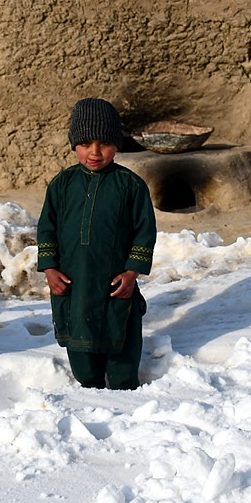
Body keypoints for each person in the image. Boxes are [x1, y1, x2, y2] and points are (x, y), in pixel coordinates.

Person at [37, 97, 157, 389]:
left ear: (116, 145)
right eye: (86, 143)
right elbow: (47, 228)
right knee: (83, 362)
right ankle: (89, 387)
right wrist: (50, 269)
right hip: (73, 284)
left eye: (103, 143)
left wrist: (131, 274)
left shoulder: (130, 186)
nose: (94, 152)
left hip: (114, 284)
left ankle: (123, 392)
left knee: (121, 349)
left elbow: (145, 232)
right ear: (74, 144)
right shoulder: (62, 185)